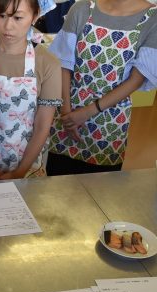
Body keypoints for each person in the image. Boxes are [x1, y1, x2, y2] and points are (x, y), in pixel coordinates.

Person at [47, 0, 157, 175]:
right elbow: (63, 63)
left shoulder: (153, 18)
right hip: (67, 114)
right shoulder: (83, 8)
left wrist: (86, 113)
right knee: (57, 182)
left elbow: (135, 80)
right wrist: (67, 112)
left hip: (109, 122)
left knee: (101, 185)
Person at [0, 0, 62, 181]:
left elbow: (42, 126)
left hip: (27, 173)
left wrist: (19, 172)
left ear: (35, 16)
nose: (8, 26)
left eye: (18, 18)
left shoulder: (48, 64)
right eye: (1, 16)